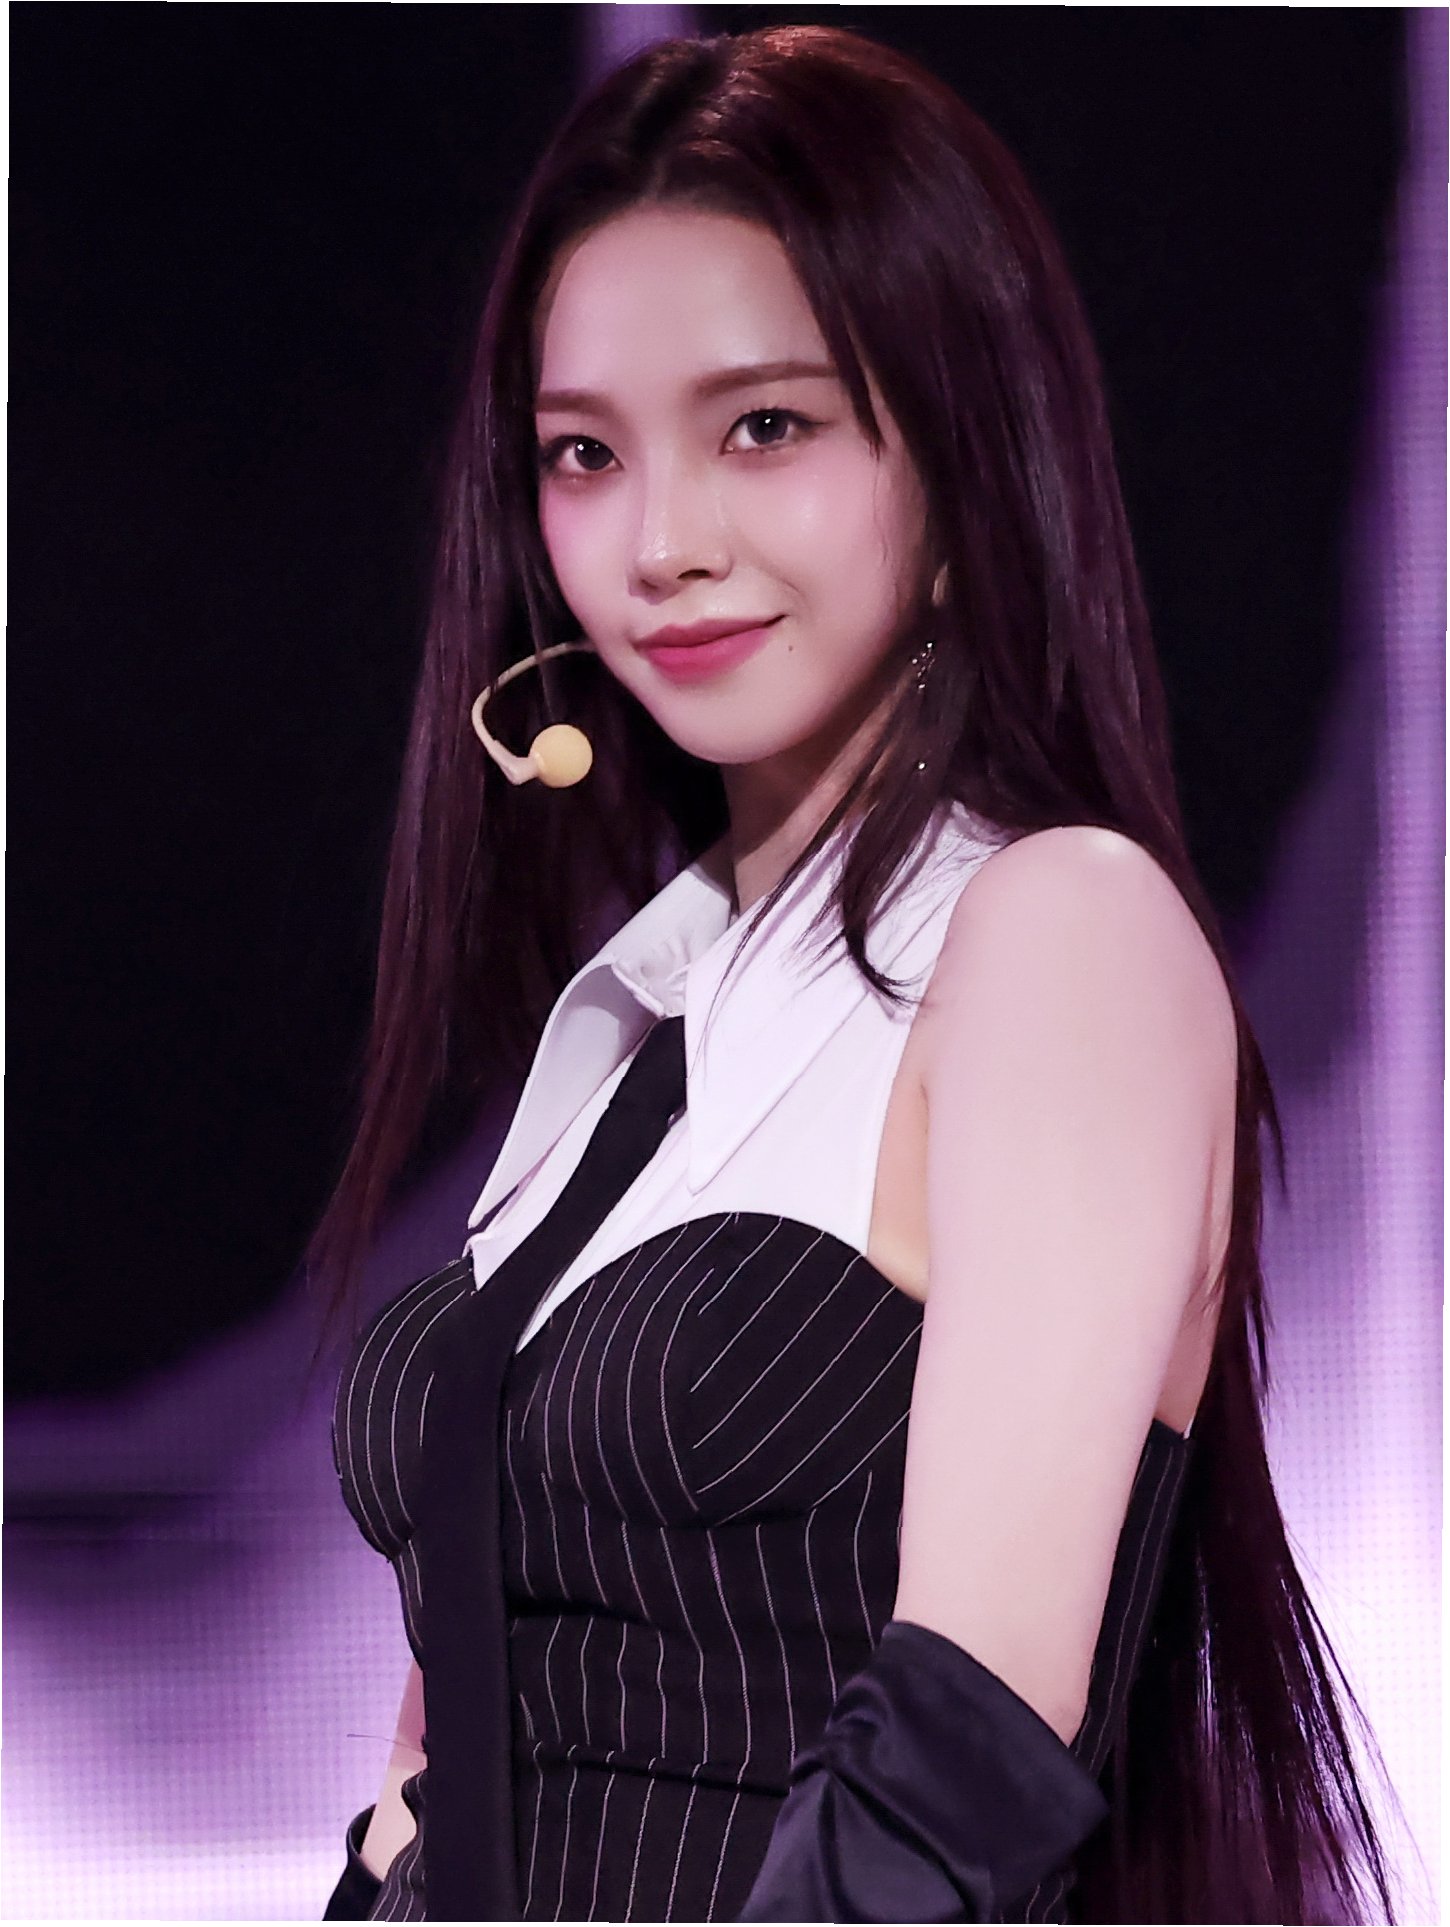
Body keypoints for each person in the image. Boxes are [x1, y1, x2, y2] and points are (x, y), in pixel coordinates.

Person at [311, 25, 1402, 1925]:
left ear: (961, 452)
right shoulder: (630, 1011)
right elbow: (450, 1749)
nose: (661, 544)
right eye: (583, 455)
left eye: (765, 428)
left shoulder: (1057, 933)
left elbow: (960, 1757)